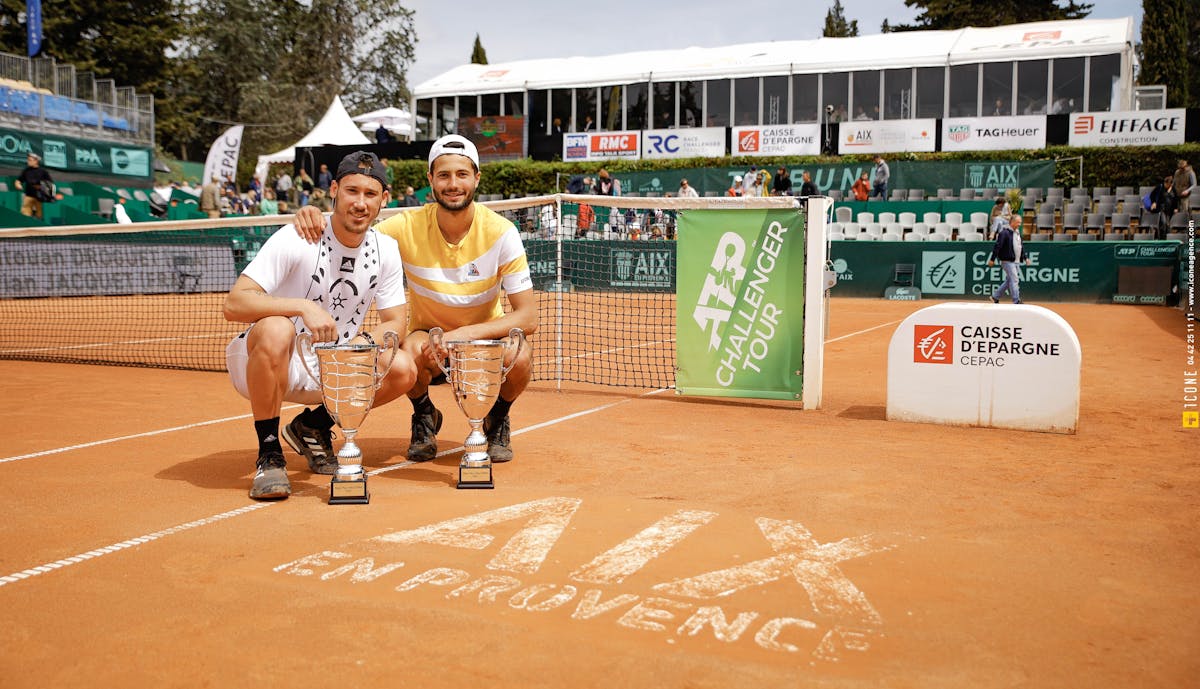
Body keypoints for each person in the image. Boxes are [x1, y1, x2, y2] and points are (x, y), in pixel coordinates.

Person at [293, 135, 538, 465]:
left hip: (482, 342)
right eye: (444, 175)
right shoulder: (403, 227)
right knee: (405, 349)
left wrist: (460, 336)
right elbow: (352, 224)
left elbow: (528, 318)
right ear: (430, 180)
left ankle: (497, 417)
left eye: (462, 174)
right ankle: (424, 414)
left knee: (520, 355)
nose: (453, 184)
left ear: (476, 178)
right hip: (427, 343)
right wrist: (315, 213)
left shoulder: (502, 232)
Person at [222, 151, 417, 500]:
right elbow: (235, 303)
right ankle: (269, 455)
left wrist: (366, 342)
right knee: (277, 328)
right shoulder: (298, 236)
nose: (360, 203)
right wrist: (301, 307)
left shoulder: (386, 249)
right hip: (269, 357)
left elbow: (396, 321)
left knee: (402, 368)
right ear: (334, 190)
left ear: (384, 199)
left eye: (370, 194)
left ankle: (313, 426)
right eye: (351, 191)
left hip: (331, 366)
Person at [987, 215, 1029, 305]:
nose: (1019, 224)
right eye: (1018, 222)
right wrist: (992, 259)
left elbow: (1021, 247)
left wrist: (1025, 258)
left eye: (1020, 222)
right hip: (1007, 261)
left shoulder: (1017, 233)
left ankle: (995, 297)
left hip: (1016, 261)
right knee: (1015, 280)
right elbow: (997, 246)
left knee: (1009, 281)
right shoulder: (1004, 233)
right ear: (1012, 222)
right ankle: (1016, 300)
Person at [15, 153, 54, 219]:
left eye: (30, 160)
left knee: (39, 216)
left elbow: (50, 184)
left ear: (36, 161)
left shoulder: (43, 171)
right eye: (28, 160)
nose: (28, 162)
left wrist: (41, 187)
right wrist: (18, 185)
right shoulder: (26, 171)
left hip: (40, 198)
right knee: (25, 214)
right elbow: (18, 181)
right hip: (28, 196)